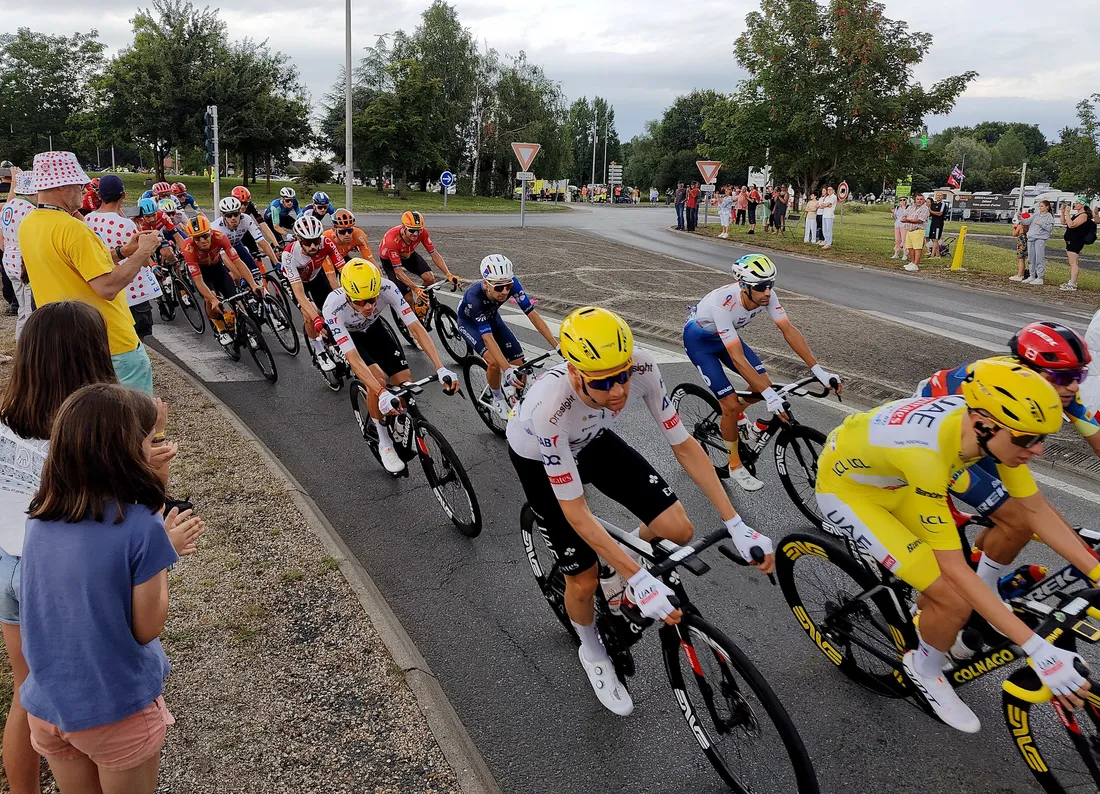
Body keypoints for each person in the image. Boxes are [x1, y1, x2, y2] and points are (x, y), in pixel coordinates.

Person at [506, 306, 775, 715]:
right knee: (582, 577)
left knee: (678, 528)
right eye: (603, 382)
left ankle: (627, 558)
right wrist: (639, 580)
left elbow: (685, 444)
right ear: (575, 372)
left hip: (592, 440)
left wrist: (735, 523)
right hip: (541, 458)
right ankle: (592, 652)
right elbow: (577, 512)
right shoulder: (549, 408)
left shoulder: (642, 366)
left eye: (623, 374)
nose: (618, 391)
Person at [818, 359, 1093, 733]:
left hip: (901, 477)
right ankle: (924, 669)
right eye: (1030, 439)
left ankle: (930, 615)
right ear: (984, 423)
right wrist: (1037, 648)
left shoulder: (992, 430)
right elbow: (954, 570)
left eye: (1042, 438)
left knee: (1003, 531)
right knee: (954, 595)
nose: (1039, 450)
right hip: (851, 491)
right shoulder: (929, 453)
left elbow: (1035, 510)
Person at [20, 383, 204, 794]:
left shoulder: (42, 512)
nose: (152, 449)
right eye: (147, 441)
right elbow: (147, 626)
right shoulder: (141, 529)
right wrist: (163, 552)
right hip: (114, 708)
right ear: (123, 454)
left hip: (49, 704)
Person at [0, 302, 128, 793]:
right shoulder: (95, 427)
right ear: (94, 354)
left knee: (27, 693)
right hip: (60, 574)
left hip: (9, 565)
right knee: (88, 696)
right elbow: (118, 512)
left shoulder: (6, 418)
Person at [683, 253, 840, 491]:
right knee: (730, 405)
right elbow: (736, 357)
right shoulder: (722, 303)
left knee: (762, 383)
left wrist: (818, 371)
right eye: (761, 287)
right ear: (744, 286)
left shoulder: (766, 296)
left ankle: (744, 424)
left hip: (726, 338)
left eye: (770, 285)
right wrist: (769, 395)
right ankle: (734, 466)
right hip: (700, 342)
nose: (767, 292)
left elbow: (788, 330)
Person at [18, 152, 161, 393]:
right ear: (63, 185)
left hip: (67, 342)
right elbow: (106, 287)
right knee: (135, 421)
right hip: (110, 340)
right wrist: (142, 253)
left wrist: (123, 252)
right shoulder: (73, 229)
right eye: (80, 184)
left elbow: (77, 266)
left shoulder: (29, 224)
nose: (85, 191)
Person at [324, 259, 458, 473]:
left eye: (372, 299)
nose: (368, 306)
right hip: (351, 337)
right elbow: (354, 359)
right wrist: (380, 392)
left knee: (405, 381)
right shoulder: (333, 306)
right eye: (360, 302)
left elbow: (415, 327)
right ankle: (384, 441)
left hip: (374, 328)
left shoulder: (387, 288)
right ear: (347, 295)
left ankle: (396, 420)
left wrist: (440, 367)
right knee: (377, 379)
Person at [457, 254, 559, 419]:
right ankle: (497, 397)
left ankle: (518, 399)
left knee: (521, 365)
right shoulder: (473, 297)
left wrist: (556, 345)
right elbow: (488, 338)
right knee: (494, 363)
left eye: (508, 285)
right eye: (499, 287)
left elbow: (532, 314)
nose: (505, 291)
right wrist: (507, 369)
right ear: (486, 284)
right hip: (470, 324)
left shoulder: (512, 285)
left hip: (492, 318)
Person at [85, 176, 164, 342]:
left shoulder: (88, 220)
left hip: (106, 286)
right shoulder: (126, 225)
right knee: (137, 341)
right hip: (133, 290)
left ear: (99, 195)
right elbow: (142, 259)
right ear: (123, 196)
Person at [180, 214, 263, 348]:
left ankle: (244, 325)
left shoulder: (219, 237)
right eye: (197, 238)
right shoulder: (188, 249)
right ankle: (220, 329)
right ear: (192, 238)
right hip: (202, 273)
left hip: (217, 267)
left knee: (235, 298)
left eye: (205, 236)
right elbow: (198, 280)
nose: (202, 240)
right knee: (210, 297)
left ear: (210, 232)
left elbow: (238, 262)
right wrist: (212, 299)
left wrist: (253, 284)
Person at [281, 214, 345, 370]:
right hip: (295, 282)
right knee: (309, 314)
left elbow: (343, 269)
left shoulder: (326, 242)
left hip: (315, 277)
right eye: (308, 243)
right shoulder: (289, 255)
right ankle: (318, 350)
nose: (313, 247)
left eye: (316, 241)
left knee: (334, 307)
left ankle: (337, 340)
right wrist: (316, 318)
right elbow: (299, 293)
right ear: (298, 239)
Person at [376, 211, 460, 315]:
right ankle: (413, 324)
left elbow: (434, 254)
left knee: (429, 278)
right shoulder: (392, 241)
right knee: (408, 297)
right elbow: (398, 271)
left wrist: (448, 274)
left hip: (408, 254)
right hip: (390, 260)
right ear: (404, 228)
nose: (415, 234)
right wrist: (415, 289)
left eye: (418, 230)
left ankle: (420, 304)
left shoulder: (423, 232)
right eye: (412, 230)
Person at [0, 169, 36, 339]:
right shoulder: (30, 210)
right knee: (30, 307)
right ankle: (28, 342)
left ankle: (20, 338)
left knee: (22, 305)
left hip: (8, 258)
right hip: (23, 261)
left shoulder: (9, 206)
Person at [211, 196, 280, 277]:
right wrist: (242, 276)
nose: (233, 218)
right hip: (220, 252)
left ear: (240, 212)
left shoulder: (246, 219)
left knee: (256, 273)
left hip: (237, 245)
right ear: (223, 215)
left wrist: (276, 263)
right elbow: (224, 256)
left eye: (236, 214)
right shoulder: (216, 228)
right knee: (235, 276)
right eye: (229, 215)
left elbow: (262, 242)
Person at [1060, 198, 1094, 291]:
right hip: (1070, 240)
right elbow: (1064, 222)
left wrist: (1067, 213)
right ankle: (1072, 281)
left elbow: (1072, 225)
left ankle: (1073, 283)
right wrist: (1063, 213)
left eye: (1077, 203)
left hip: (1076, 241)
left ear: (1083, 205)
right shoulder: (1077, 214)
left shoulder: (1083, 215)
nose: (1075, 204)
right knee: (1071, 262)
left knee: (1073, 262)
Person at [1020, 200, 1054, 285]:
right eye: (1040, 206)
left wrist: (1041, 223)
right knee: (1031, 258)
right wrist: (1019, 217)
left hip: (1040, 239)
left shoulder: (1049, 217)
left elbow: (1049, 228)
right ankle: (1032, 275)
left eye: (1042, 206)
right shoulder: (1036, 215)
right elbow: (1026, 222)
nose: (1040, 208)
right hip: (1031, 238)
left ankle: (1040, 277)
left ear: (1047, 207)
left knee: (1039, 258)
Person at [899, 193, 929, 270]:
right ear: (915, 200)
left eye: (921, 199)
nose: (919, 201)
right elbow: (905, 213)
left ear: (924, 200)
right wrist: (904, 218)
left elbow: (919, 220)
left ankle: (916, 264)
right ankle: (912, 262)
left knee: (917, 248)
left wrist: (907, 220)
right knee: (910, 247)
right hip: (909, 230)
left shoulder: (924, 209)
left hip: (918, 230)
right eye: (918, 199)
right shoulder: (912, 207)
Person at [927, 192, 946, 257]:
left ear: (942, 197)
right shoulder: (933, 204)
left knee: (935, 239)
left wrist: (931, 211)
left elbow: (940, 213)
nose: (938, 197)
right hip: (933, 223)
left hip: (938, 224)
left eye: (940, 195)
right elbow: (930, 214)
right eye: (937, 195)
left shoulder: (943, 204)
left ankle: (932, 255)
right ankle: (937, 254)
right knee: (933, 239)